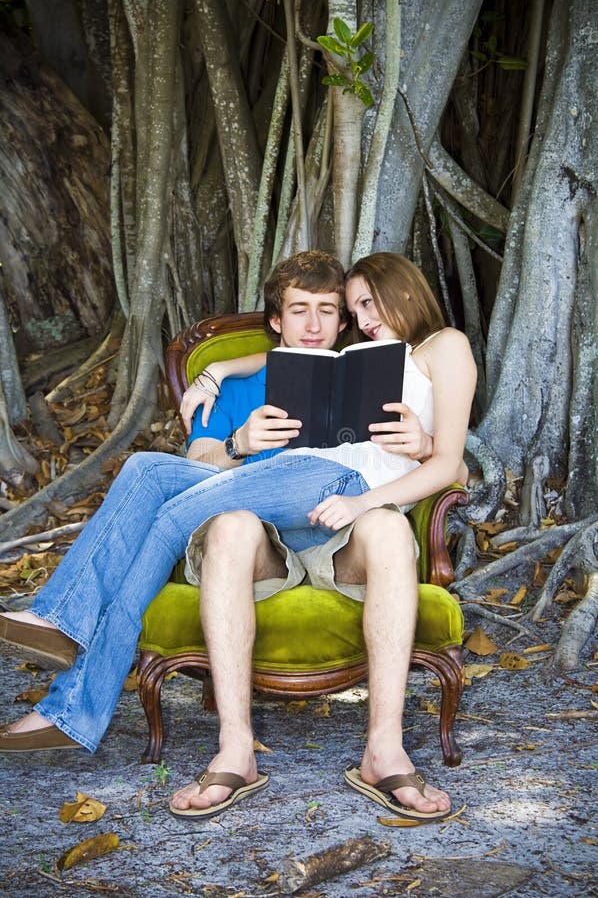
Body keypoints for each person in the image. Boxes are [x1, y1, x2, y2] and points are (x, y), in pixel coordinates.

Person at [0, 250, 474, 823]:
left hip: (344, 488)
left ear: (405, 290)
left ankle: (68, 643)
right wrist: (218, 370)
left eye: (359, 305)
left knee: (168, 514)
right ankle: (69, 671)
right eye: (357, 308)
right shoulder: (361, 356)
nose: (361, 318)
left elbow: (452, 464)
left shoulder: (444, 345)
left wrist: (398, 468)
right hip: (307, 489)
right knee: (146, 471)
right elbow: (278, 360)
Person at [164, 251, 475, 822]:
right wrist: (233, 426)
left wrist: (428, 446)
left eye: (334, 311)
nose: (317, 324)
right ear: (276, 320)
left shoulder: (358, 370)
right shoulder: (235, 386)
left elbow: (454, 466)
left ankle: (385, 749)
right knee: (230, 527)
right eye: (300, 311)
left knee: (384, 527)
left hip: (346, 527)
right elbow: (198, 466)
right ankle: (235, 750)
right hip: (266, 533)